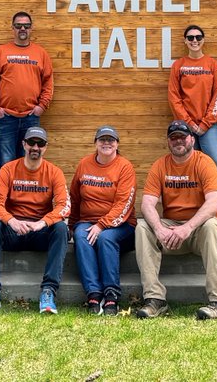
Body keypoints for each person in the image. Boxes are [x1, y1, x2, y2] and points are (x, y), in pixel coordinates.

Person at [135, 120, 217, 321]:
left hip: (198, 232)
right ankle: (155, 300)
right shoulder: (160, 165)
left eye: (182, 136)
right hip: (171, 233)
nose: (178, 141)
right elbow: (147, 204)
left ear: (192, 140)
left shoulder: (204, 162)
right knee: (143, 227)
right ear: (168, 142)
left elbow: (214, 203)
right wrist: (160, 229)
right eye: (174, 137)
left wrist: (188, 228)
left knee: (213, 224)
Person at [0, 125, 69, 315]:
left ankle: (49, 291)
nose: (35, 147)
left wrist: (42, 222)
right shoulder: (8, 169)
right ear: (23, 144)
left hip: (39, 232)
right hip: (14, 230)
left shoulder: (54, 172)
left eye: (40, 143)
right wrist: (12, 221)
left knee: (60, 228)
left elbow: (63, 206)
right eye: (31, 142)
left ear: (46, 147)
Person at [69, 125, 136, 316]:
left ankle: (111, 294)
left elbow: (124, 204)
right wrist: (72, 225)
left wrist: (101, 225)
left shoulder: (125, 167)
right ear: (96, 143)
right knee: (82, 235)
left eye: (111, 140)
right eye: (102, 139)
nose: (107, 143)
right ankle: (94, 293)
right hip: (87, 221)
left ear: (117, 144)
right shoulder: (84, 164)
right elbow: (75, 197)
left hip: (122, 225)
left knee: (106, 238)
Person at [0, 11, 53, 166]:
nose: (22, 28)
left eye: (26, 26)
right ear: (13, 28)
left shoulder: (41, 53)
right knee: (5, 163)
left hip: (31, 118)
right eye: (18, 25)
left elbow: (48, 82)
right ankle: (4, 192)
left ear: (31, 28)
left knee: (29, 163)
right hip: (5, 118)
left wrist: (42, 106)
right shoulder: (1, 52)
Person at [168, 23, 217, 182]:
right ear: (185, 41)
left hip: (209, 126)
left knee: (216, 166)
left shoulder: (213, 64)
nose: (195, 40)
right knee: (189, 169)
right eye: (190, 37)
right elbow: (174, 97)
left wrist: (205, 124)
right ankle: (193, 206)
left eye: (198, 37)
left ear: (203, 40)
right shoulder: (178, 65)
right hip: (185, 127)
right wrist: (189, 124)